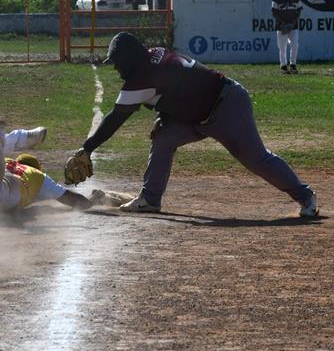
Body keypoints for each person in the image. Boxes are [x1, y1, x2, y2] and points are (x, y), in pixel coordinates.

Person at [64, 32, 318, 217]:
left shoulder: (141, 76)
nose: (117, 68)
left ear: (130, 58)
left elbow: (115, 118)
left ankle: (305, 196)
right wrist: (164, 117)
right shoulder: (154, 54)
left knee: (256, 159)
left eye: (118, 61)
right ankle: (150, 199)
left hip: (226, 106)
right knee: (164, 138)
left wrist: (87, 148)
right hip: (196, 115)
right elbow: (179, 85)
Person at [0, 121, 92, 223]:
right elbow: (72, 199)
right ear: (36, 167)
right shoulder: (40, 178)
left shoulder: (7, 160)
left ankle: (8, 137)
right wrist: (91, 202)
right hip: (4, 192)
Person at [272, 0, 303, 74]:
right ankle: (283, 66)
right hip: (281, 26)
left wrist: (294, 21)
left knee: (295, 45)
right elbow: (274, 13)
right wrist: (282, 23)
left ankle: (293, 65)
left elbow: (299, 11)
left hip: (293, 25)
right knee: (282, 46)